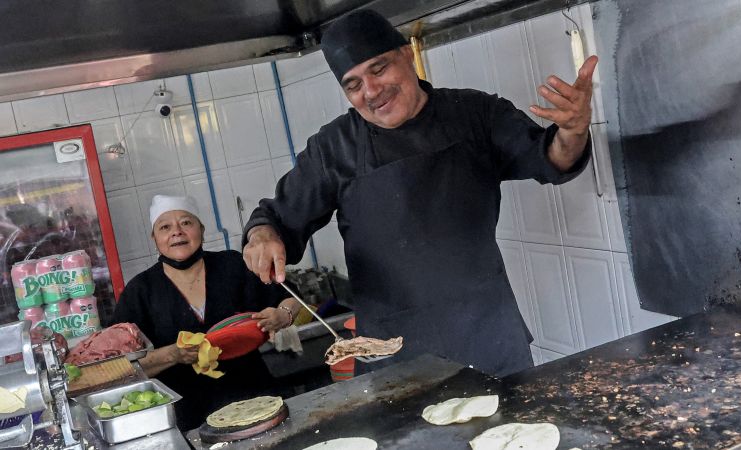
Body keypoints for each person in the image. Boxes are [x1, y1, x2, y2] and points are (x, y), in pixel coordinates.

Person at [242, 10, 597, 377]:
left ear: (407, 55)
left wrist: (573, 130)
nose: (371, 91)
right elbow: (275, 218)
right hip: (391, 354)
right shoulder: (333, 148)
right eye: (353, 85)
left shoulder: (475, 113)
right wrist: (262, 235)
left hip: (488, 336)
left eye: (379, 69)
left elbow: (550, 158)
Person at [113, 195, 301, 431]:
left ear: (201, 229)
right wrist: (173, 354)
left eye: (186, 223)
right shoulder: (140, 290)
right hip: (190, 419)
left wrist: (284, 314)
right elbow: (121, 366)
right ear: (155, 238)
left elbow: (291, 297)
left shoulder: (232, 265)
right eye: (165, 227)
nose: (177, 232)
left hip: (256, 399)